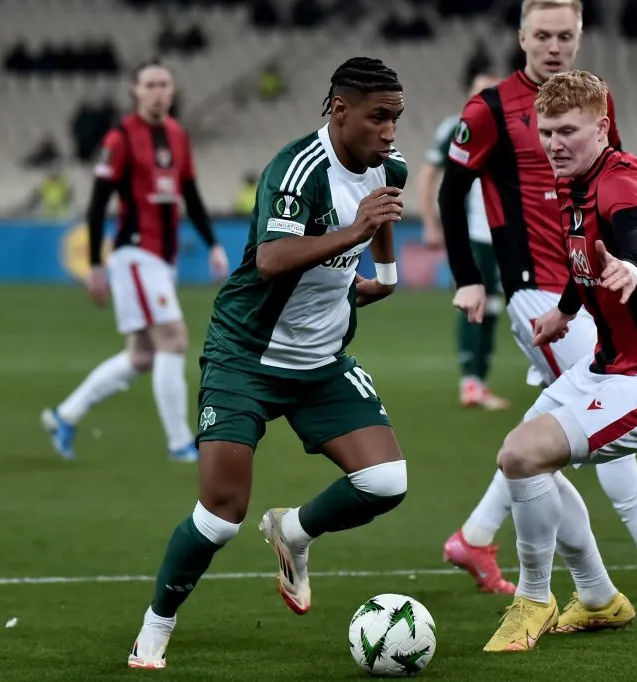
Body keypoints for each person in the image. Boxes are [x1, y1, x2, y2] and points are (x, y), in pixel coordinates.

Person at [440, 0, 637, 599]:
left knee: (557, 429)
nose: (554, 47)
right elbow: (451, 192)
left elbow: (621, 198)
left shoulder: (592, 102)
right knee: (589, 419)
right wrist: (468, 275)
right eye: (542, 35)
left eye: (565, 36)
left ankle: (475, 537)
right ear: (521, 36)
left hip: (580, 285)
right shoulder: (490, 107)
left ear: (580, 37)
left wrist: (627, 260)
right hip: (532, 291)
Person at [126, 56, 410, 670]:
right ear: (340, 111)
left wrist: (381, 277)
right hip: (246, 357)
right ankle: (158, 621)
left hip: (322, 361)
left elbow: (382, 209)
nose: (389, 132)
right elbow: (273, 260)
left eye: (396, 118)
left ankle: (295, 531)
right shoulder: (297, 168)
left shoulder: (389, 166)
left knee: (386, 483)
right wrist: (357, 234)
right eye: (378, 117)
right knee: (221, 517)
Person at [485, 68, 637, 652]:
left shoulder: (620, 184)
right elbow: (585, 257)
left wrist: (635, 265)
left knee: (521, 454)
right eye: (546, 131)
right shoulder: (572, 178)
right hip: (607, 365)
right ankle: (597, 599)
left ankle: (533, 599)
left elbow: (632, 231)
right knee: (523, 458)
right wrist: (565, 311)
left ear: (602, 127)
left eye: (568, 131)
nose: (555, 143)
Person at [41, 60, 229, 462]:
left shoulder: (178, 136)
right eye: (150, 84)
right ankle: (180, 443)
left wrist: (213, 242)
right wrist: (94, 264)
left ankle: (65, 415)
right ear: (135, 91)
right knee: (174, 339)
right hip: (135, 251)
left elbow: (191, 195)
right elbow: (96, 204)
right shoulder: (121, 137)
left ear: (173, 91)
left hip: (163, 256)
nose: (159, 91)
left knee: (142, 355)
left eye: (165, 84)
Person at [419, 71, 509, 411]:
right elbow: (429, 174)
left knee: (496, 307)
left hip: (507, 235)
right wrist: (430, 222)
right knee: (475, 301)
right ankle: (470, 381)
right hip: (474, 233)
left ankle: (479, 382)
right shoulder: (457, 127)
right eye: (479, 92)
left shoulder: (512, 129)